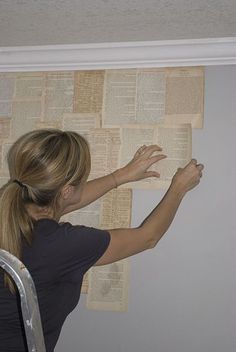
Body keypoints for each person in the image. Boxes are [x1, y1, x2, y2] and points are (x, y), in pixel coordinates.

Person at [0, 129, 204, 352]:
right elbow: (148, 237)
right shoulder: (63, 244)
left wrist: (120, 176)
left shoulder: (10, 210)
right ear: (67, 190)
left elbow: (61, 204)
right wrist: (179, 187)